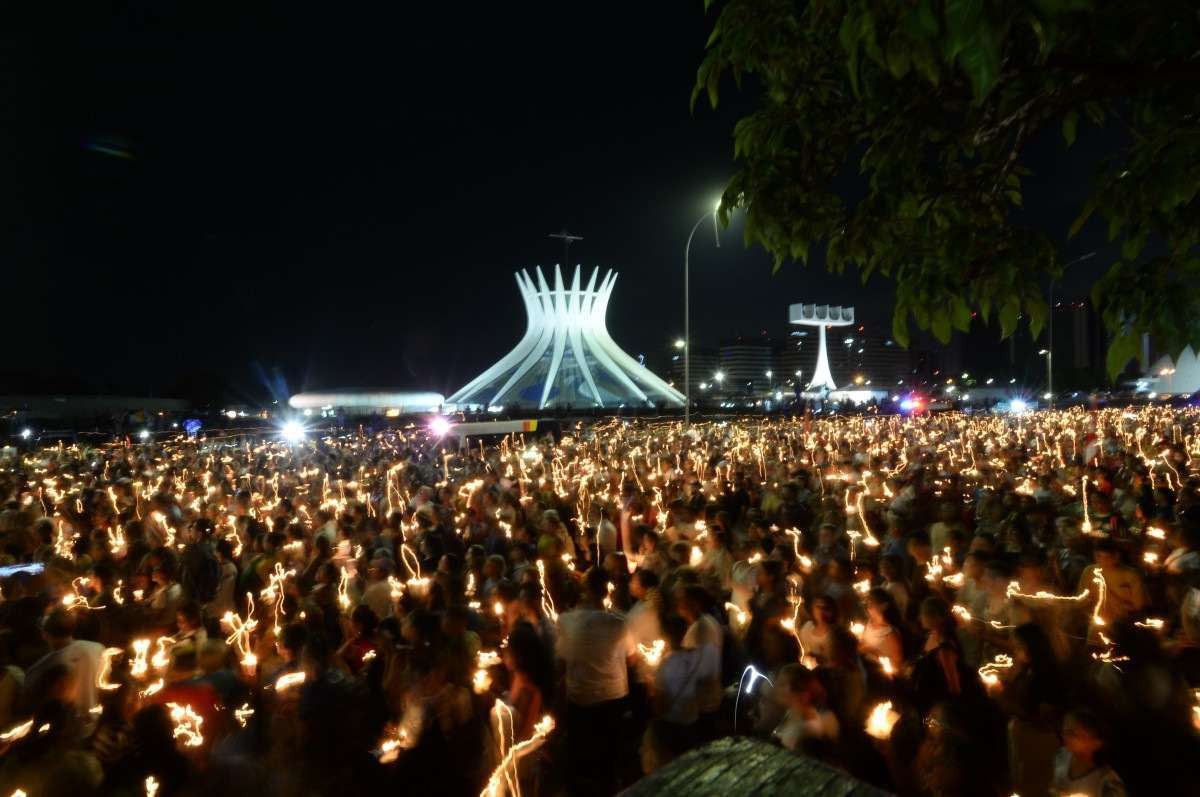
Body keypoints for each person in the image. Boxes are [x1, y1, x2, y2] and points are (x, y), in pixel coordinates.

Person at [556, 567, 634, 797]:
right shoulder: (619, 623)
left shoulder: (566, 621)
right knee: (609, 754)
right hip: (613, 695)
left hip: (581, 696)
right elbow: (632, 658)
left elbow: (560, 662)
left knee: (582, 753)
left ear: (585, 589)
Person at [22, 608, 105, 734]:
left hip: (65, 731)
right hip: (95, 723)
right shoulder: (98, 649)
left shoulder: (42, 667)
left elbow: (28, 699)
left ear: (45, 634)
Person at [1053, 709, 1126, 796]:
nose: (1063, 736)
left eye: (1071, 733)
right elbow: (1057, 787)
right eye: (1063, 730)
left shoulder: (1107, 782)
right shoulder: (1062, 756)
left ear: (1096, 742)